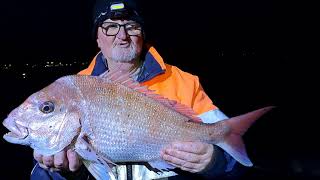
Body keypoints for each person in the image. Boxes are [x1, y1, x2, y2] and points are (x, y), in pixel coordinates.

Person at [31, 0, 242, 179]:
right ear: (97, 37)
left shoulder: (184, 83)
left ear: (143, 34)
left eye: (132, 26)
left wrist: (214, 162)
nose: (122, 36)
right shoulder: (73, 89)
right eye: (110, 26)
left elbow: (237, 164)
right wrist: (61, 172)